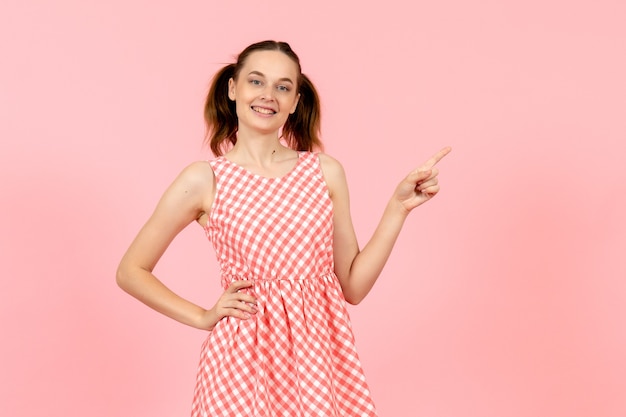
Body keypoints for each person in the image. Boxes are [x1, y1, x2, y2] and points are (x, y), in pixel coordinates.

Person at [117, 40, 451, 417]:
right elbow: (131, 271)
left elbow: (353, 288)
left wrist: (397, 208)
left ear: (295, 100)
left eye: (283, 86)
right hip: (241, 367)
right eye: (256, 82)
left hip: (318, 366)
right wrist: (201, 316)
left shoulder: (324, 172)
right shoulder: (204, 179)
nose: (268, 95)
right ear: (233, 89)